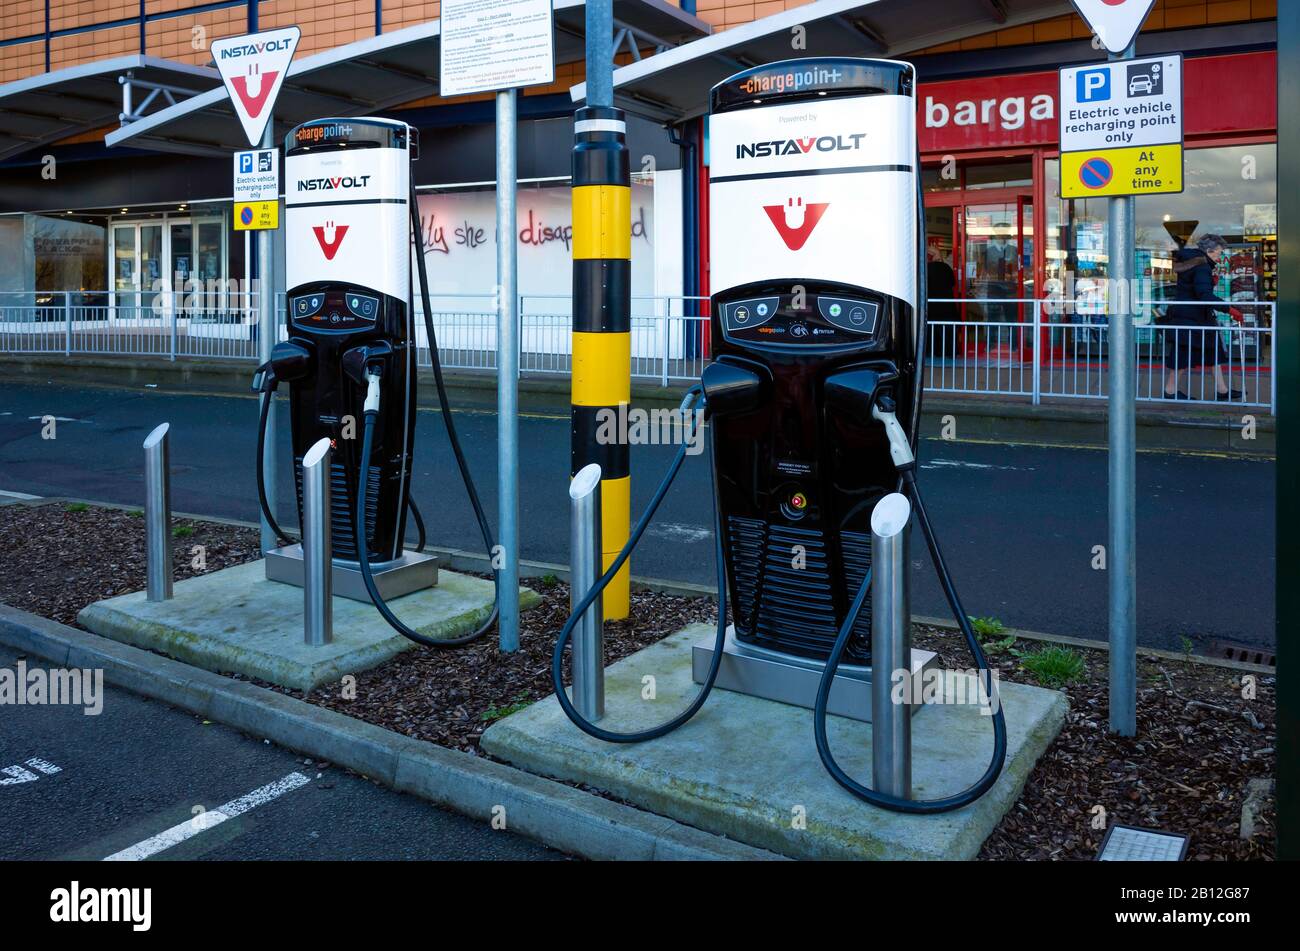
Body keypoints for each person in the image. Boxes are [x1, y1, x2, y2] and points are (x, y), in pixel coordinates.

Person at [1162, 233, 1244, 401]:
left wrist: (1210, 282)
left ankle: (1222, 390)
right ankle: (1170, 391)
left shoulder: (1194, 262)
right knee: (1182, 355)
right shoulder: (1202, 266)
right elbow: (1204, 295)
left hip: (1194, 316)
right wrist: (1229, 309)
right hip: (1192, 317)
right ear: (1209, 251)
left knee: (1213, 351)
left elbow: (1192, 287)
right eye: (1219, 253)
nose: (1220, 257)